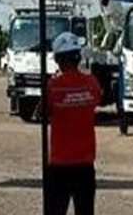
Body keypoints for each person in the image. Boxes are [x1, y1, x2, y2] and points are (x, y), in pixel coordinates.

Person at [40, 32, 102, 215]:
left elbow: (41, 112)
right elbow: (98, 99)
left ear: (58, 60)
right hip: (85, 164)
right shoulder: (91, 83)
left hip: (60, 164)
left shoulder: (53, 87)